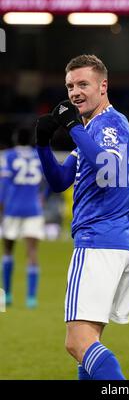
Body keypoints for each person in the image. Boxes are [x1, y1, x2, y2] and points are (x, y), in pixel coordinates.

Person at [35, 54, 129, 380]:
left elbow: (106, 166)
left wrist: (71, 128)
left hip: (99, 242)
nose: (75, 92)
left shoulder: (109, 124)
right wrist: (43, 144)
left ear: (102, 86)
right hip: (115, 243)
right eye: (70, 86)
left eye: (83, 84)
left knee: (77, 341)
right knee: (88, 346)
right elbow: (59, 181)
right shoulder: (92, 128)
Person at [0, 127, 45, 308]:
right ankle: (31, 298)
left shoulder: (8, 156)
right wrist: (44, 196)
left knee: (8, 251)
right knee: (32, 253)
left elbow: (3, 184)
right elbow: (50, 180)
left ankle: (8, 294)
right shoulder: (38, 156)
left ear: (15, 138)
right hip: (34, 209)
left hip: (12, 209)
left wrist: (1, 207)